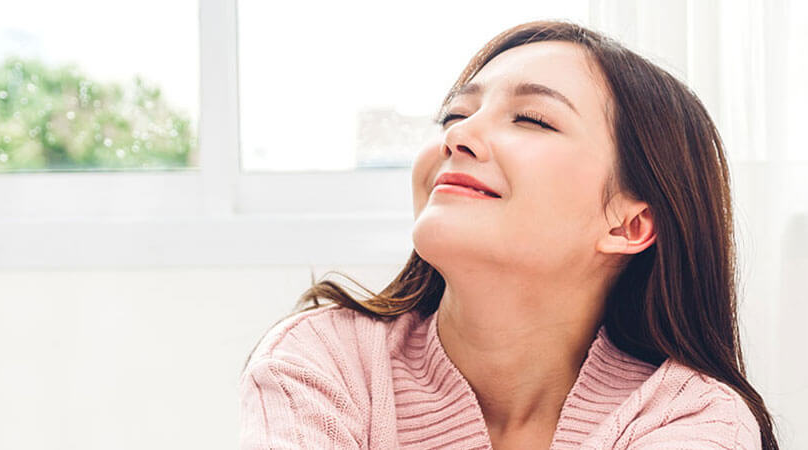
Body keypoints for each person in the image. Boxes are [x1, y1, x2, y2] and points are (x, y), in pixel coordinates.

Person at [238, 20, 779, 449]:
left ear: (629, 224)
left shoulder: (693, 416)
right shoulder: (325, 360)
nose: (459, 136)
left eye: (531, 119)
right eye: (455, 114)